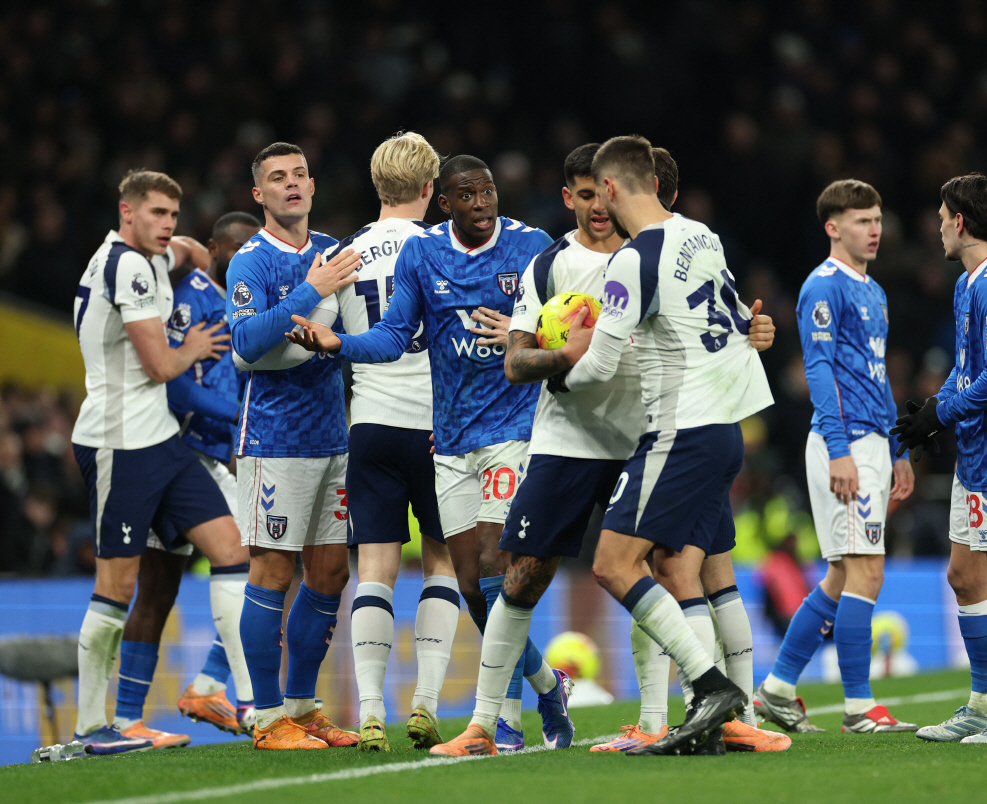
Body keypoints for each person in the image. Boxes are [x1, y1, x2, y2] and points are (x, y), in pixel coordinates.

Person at [426, 135, 771, 757]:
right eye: (583, 196)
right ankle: (482, 725)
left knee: (662, 572)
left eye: (601, 194)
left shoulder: (653, 254)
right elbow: (515, 362)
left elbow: (719, 318)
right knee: (521, 578)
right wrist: (564, 355)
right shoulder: (550, 266)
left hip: (652, 435)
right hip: (569, 439)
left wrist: (753, 329)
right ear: (570, 198)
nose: (596, 207)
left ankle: (668, 719)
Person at [287, 154, 566, 752]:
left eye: (488, 191)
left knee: (492, 566)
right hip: (450, 438)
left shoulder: (533, 245)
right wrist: (338, 344)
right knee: (471, 584)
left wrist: (528, 335)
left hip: (512, 430)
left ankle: (499, 721)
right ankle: (548, 685)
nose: (482, 203)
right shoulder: (423, 252)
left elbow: (576, 314)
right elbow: (393, 335)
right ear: (442, 201)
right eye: (468, 195)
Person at [592, 146, 786, 754]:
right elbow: (734, 321)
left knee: (614, 564)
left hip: (680, 430)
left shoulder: (632, 259)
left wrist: (542, 361)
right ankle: (727, 719)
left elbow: (597, 364)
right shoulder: (703, 236)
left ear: (608, 190)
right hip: (722, 427)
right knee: (681, 570)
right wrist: (757, 330)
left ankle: (711, 691)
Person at [69, 170, 243, 755]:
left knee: (232, 549)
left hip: (162, 440)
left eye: (173, 214)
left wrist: (194, 250)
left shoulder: (146, 257)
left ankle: (238, 697)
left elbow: (188, 249)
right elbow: (160, 367)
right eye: (156, 214)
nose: (168, 225)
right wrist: (192, 347)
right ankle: (94, 727)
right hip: (119, 442)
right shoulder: (127, 267)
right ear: (127, 212)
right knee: (118, 586)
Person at [310, 132, 463, 751]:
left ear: (378, 185)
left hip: (371, 424)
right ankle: (424, 704)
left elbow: (318, 336)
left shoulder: (343, 254)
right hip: (439, 427)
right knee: (443, 561)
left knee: (373, 569)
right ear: (430, 188)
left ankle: (371, 710)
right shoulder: (444, 247)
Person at [755, 179, 916, 735]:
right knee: (865, 570)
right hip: (841, 443)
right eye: (862, 221)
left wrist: (897, 447)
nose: (875, 230)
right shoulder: (823, 286)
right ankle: (859, 706)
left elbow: (877, 375)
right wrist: (842, 450)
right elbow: (819, 370)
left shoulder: (875, 291)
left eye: (877, 219)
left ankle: (777, 690)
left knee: (842, 575)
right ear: (833, 227)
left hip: (872, 442)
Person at [893, 173, 987, 744]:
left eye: (942, 217)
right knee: (964, 575)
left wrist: (946, 413)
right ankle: (983, 706)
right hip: (976, 450)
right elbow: (966, 367)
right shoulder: (967, 285)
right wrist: (935, 409)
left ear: (960, 222)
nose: (937, 226)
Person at [225, 142, 363, 750]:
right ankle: (265, 716)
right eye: (278, 177)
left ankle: (303, 708)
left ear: (312, 184)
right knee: (273, 571)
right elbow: (247, 343)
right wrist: (309, 291)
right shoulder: (250, 262)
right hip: (274, 439)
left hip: (333, 435)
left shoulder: (335, 250)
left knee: (330, 571)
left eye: (300, 174)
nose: (292, 184)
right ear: (259, 194)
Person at [114, 212, 262, 747]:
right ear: (215, 250)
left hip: (212, 458)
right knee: (250, 563)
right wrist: (239, 416)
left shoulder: (248, 301)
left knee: (163, 589)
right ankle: (246, 701)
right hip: (184, 455)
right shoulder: (192, 298)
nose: (245, 258)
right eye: (236, 249)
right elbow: (175, 389)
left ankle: (194, 692)